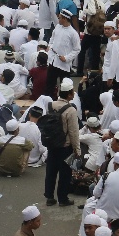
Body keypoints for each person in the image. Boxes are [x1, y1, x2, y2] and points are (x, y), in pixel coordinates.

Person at [43, 77, 80, 206]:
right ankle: (63, 198)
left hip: (52, 144)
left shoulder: (50, 105)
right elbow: (73, 132)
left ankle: (49, 196)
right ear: (69, 94)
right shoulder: (70, 110)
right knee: (65, 174)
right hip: (65, 146)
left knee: (51, 171)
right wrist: (77, 149)